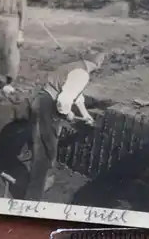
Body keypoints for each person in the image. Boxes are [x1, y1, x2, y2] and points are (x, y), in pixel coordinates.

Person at [24, 52, 106, 201]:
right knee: (44, 152)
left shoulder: (75, 68)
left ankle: (40, 183)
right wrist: (67, 113)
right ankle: (32, 198)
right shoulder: (82, 74)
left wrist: (85, 114)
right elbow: (64, 100)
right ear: (99, 62)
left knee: (45, 146)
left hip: (42, 101)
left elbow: (77, 96)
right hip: (47, 105)